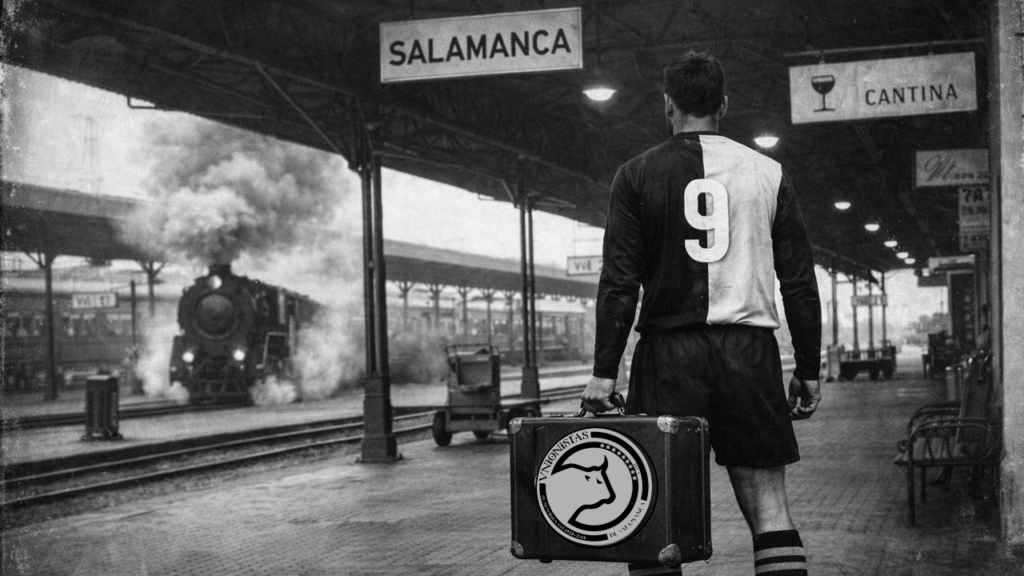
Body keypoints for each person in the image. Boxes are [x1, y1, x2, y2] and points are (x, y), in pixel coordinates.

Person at [581, 51, 822, 576]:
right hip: (749, 353)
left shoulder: (635, 175)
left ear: (667, 105)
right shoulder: (769, 173)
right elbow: (799, 283)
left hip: (668, 355)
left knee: (651, 514)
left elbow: (619, 283)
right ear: (725, 105)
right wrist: (807, 369)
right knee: (770, 508)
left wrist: (604, 372)